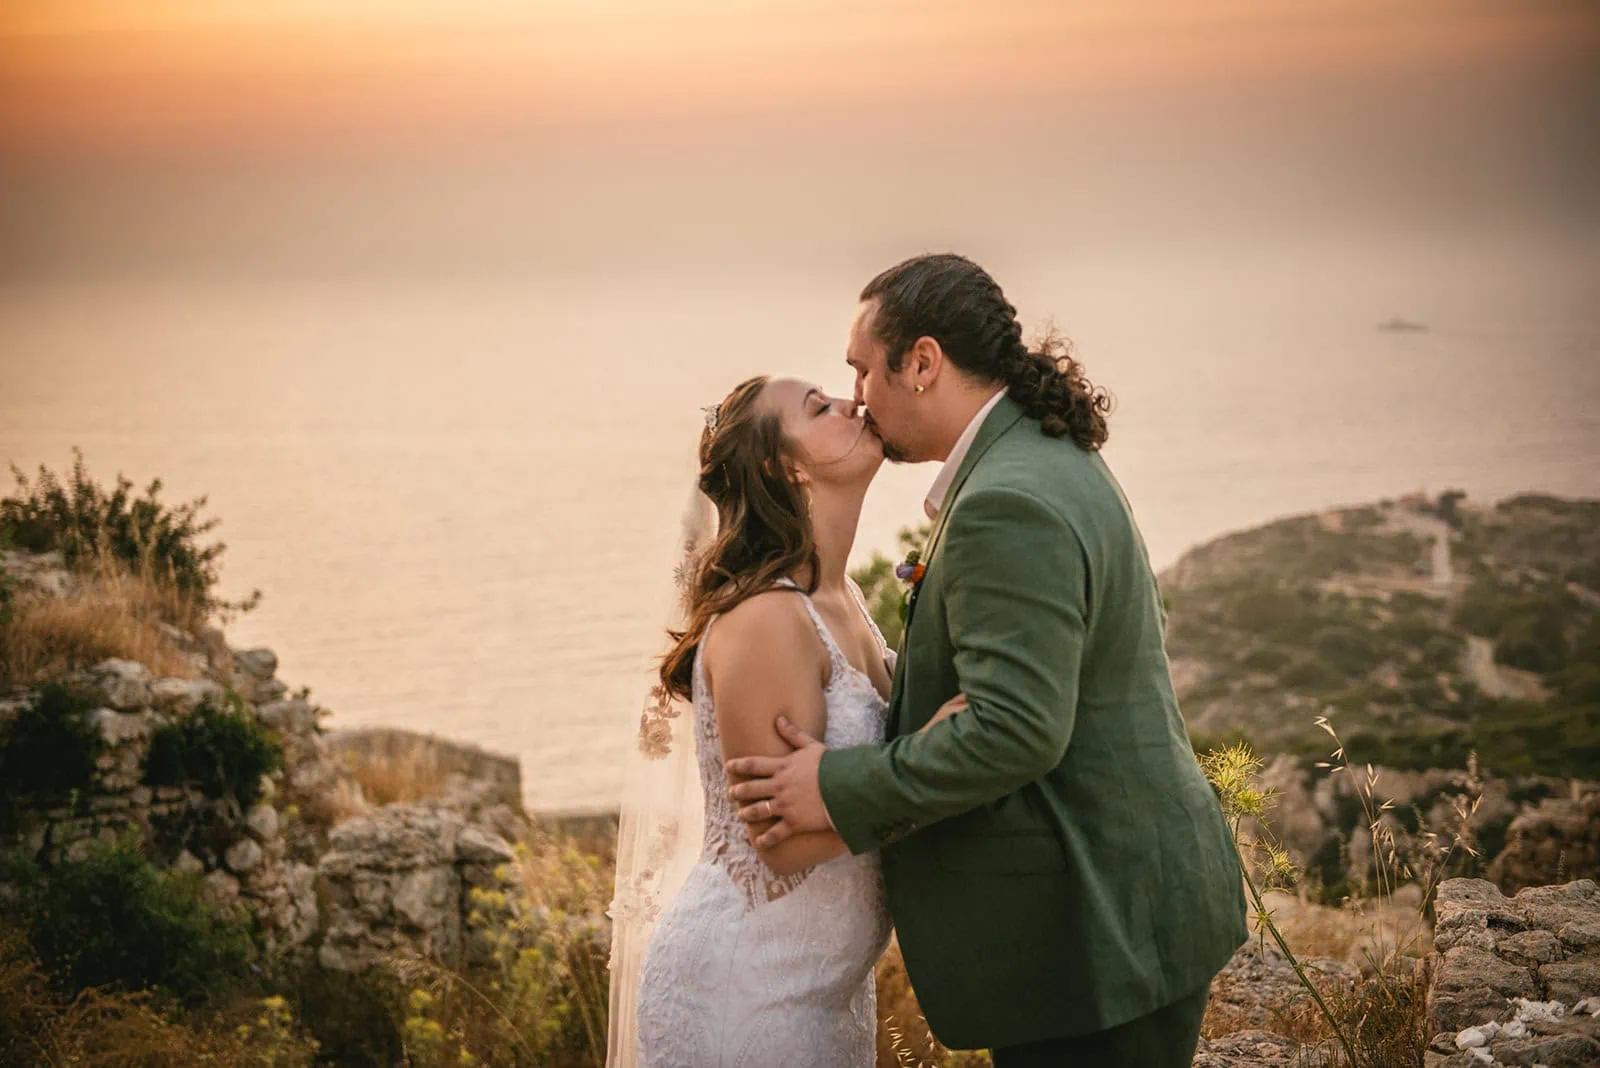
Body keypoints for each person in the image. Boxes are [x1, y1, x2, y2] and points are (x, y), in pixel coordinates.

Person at [725, 253, 1249, 1066]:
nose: (858, 396)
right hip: (1122, 912)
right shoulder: (1040, 453)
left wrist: (834, 783)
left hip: (1090, 937)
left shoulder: (1004, 500)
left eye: (862, 370)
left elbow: (1015, 731)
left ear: (924, 363)